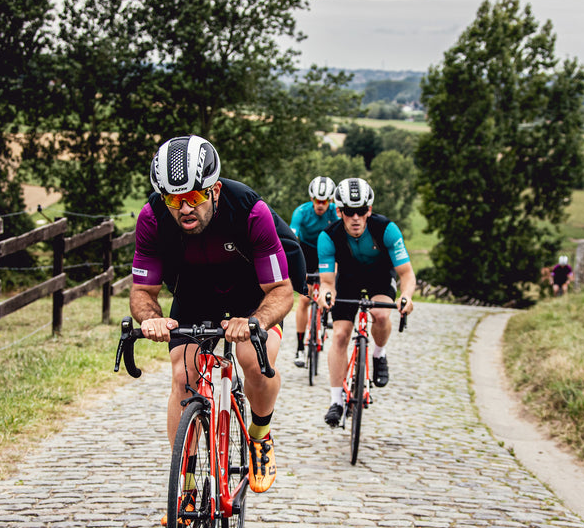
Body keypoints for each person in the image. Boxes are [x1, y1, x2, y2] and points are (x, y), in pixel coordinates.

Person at [130, 135, 292, 505]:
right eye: (174, 199)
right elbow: (142, 292)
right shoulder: (153, 218)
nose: (184, 208)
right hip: (195, 292)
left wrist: (254, 320)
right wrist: (152, 319)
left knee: (254, 362)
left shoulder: (250, 211)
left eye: (195, 197)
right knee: (183, 375)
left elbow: (282, 290)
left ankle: (260, 434)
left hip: (253, 293)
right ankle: (186, 488)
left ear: (215, 189)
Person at [316, 177, 415, 427]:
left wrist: (406, 296)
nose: (356, 217)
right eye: (349, 212)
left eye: (361, 211)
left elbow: (406, 274)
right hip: (347, 280)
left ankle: (379, 354)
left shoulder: (387, 229)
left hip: (379, 278)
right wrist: (325, 294)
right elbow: (327, 282)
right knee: (339, 335)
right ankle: (336, 401)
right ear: (339, 211)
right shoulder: (328, 237)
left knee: (381, 315)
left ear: (369, 210)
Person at [289, 176, 339, 367]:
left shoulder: (336, 213)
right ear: (312, 199)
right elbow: (292, 238)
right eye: (317, 200)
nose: (320, 205)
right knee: (304, 299)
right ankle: (300, 347)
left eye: (324, 201)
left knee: (336, 277)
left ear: (330, 201)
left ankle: (329, 310)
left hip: (328, 251)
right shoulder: (301, 212)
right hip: (308, 251)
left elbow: (342, 240)